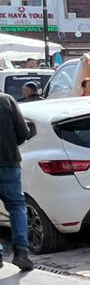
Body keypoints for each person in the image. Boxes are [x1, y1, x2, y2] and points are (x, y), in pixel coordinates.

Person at [0, 90, 34, 270]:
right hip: (9, 161)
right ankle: (21, 252)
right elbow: (23, 132)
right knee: (17, 206)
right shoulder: (7, 100)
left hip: (9, 162)